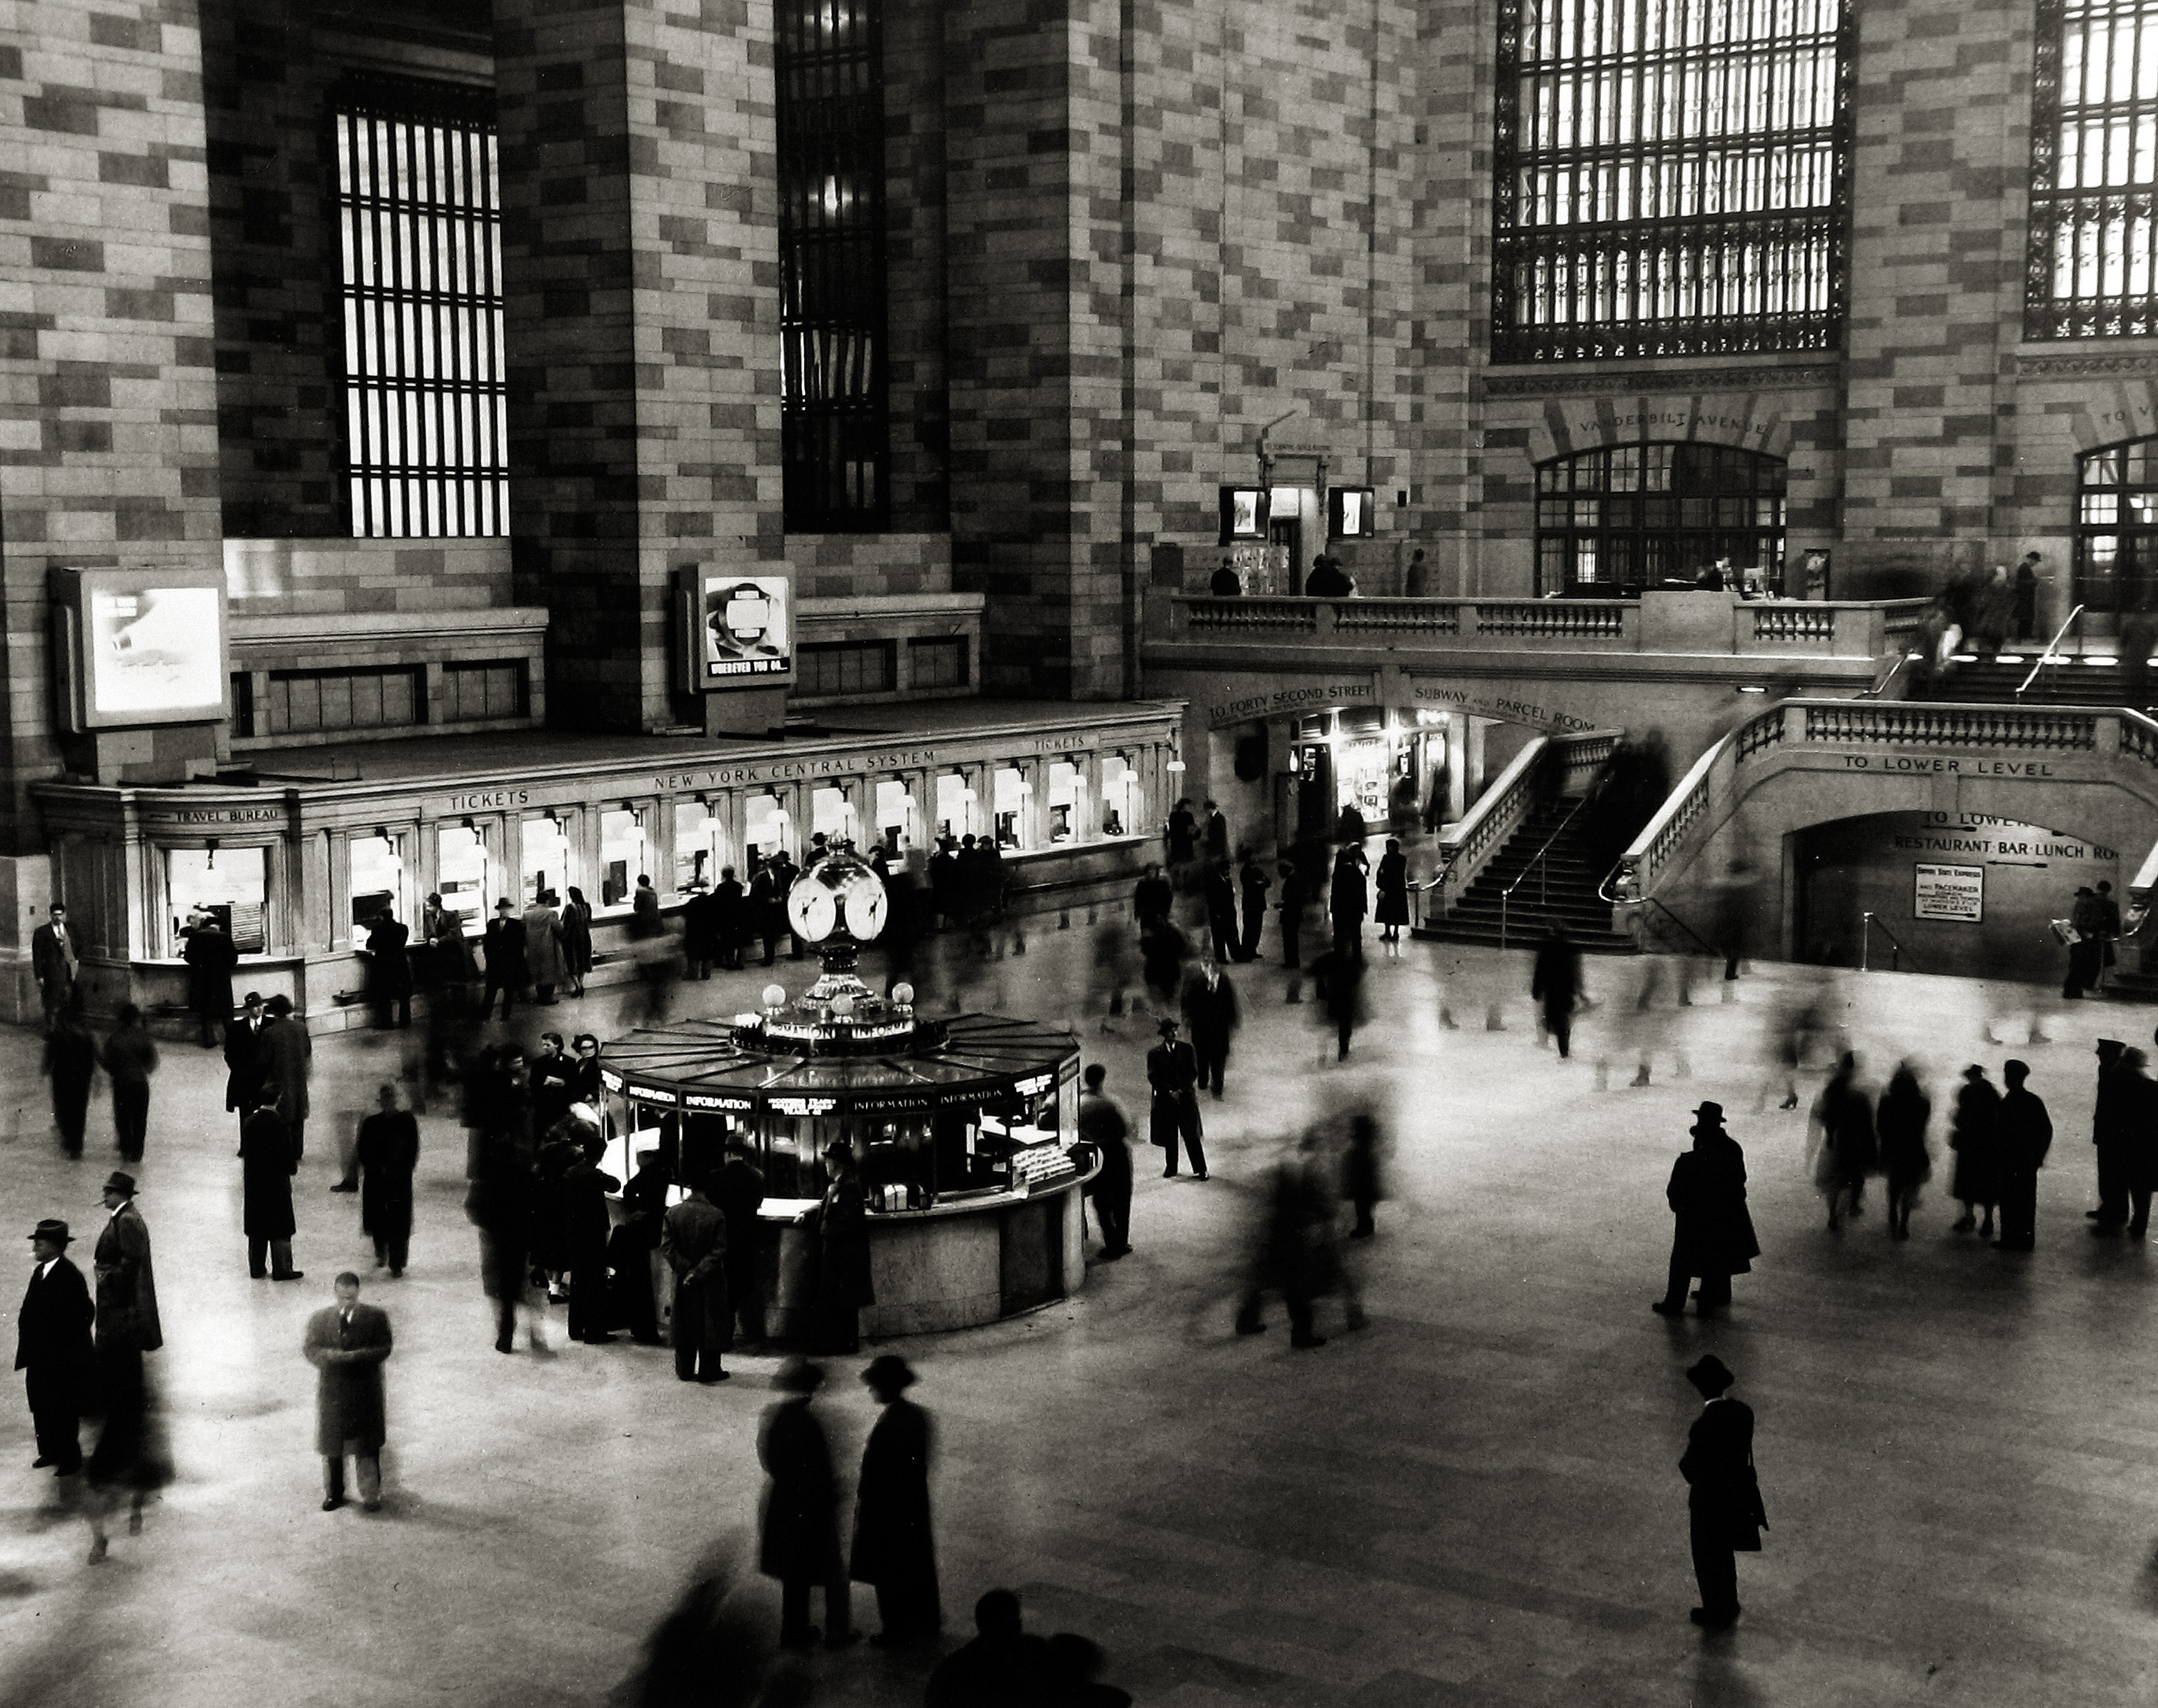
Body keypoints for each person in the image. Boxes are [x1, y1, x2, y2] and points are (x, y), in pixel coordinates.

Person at [85, 1173, 170, 1563]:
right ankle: (135, 1505)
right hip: (120, 1320)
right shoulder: (124, 1218)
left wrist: (106, 1276)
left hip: (122, 1318)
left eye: (107, 1191)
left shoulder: (129, 1221)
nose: (103, 1196)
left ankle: (130, 1504)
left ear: (117, 1194)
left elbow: (132, 1267)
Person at [759, 1358, 855, 1651]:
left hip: (784, 1503)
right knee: (828, 1568)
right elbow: (821, 1470)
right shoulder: (812, 1422)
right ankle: (834, 1632)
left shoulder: (776, 1416)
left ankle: (794, 1629)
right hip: (811, 1508)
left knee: (794, 1575)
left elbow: (770, 1459)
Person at [850, 1354, 942, 1647]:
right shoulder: (917, 1416)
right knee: (916, 1563)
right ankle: (926, 1620)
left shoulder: (889, 1424)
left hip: (887, 1509)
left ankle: (896, 1629)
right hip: (912, 1502)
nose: (870, 1391)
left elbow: (878, 1472)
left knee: (888, 1569)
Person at [1678, 1354, 1766, 1629]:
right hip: (1735, 1495)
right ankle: (1730, 1602)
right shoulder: (1743, 1412)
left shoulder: (1702, 1426)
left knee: (1707, 1557)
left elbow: (1689, 1468)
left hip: (1708, 1502)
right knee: (1725, 1555)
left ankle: (1716, 1609)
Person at [1652, 1103, 1760, 1318]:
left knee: (1683, 1257)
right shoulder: (1731, 1148)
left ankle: (1675, 1301)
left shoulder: (1691, 1158)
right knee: (1717, 1254)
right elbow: (1739, 1181)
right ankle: (1714, 1297)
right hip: (1721, 1212)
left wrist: (1680, 1207)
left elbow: (1677, 1190)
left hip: (1693, 1214)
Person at [303, 1272, 392, 1513]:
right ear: (335, 1293)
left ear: (358, 1293)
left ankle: (370, 1494)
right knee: (333, 1449)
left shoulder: (376, 1317)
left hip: (365, 1392)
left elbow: (384, 1347)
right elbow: (310, 1349)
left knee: (366, 1447)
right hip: (334, 1393)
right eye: (343, 1297)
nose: (347, 1302)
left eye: (351, 1298)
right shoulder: (320, 1320)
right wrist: (333, 1357)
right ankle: (335, 1493)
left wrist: (356, 1357)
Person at [17, 1218, 93, 1476]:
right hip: (40, 1356)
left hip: (60, 1359)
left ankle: (70, 1458)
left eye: (42, 1241)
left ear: (57, 1246)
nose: (36, 1244)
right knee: (40, 1404)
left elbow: (84, 1315)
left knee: (62, 1407)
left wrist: (64, 1349)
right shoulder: (40, 1271)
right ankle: (49, 1451)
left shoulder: (70, 1276)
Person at [926, 1589, 1052, 1706]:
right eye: (1005, 1631)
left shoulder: (950, 1672)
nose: (1013, 1636)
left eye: (1016, 1627)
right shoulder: (953, 1675)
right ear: (986, 1630)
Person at [661, 1170, 730, 1381]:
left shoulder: (673, 1213)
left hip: (682, 1278)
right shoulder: (716, 1215)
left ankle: (684, 1369)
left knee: (683, 1321)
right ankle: (709, 1370)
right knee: (709, 1321)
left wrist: (685, 1269)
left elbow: (667, 1246)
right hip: (709, 1279)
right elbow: (719, 1250)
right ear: (709, 1189)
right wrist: (698, 1271)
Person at [560, 1127, 620, 1344]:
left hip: (574, 1232)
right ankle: (595, 1331)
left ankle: (575, 1328)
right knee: (595, 1283)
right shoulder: (593, 1175)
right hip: (592, 1234)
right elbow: (615, 1185)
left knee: (578, 1279)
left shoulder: (571, 1172)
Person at [354, 1083, 419, 1277]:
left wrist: (400, 1168)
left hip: (394, 1179)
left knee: (395, 1220)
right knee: (382, 1219)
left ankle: (396, 1261)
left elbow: (412, 1150)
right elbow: (363, 1150)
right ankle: (383, 1252)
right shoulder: (372, 1123)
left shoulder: (405, 1121)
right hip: (381, 1178)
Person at [816, 1143, 875, 1354]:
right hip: (841, 1255)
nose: (825, 1164)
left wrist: (824, 1230)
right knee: (840, 1301)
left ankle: (845, 1344)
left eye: (828, 1161)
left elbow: (846, 1220)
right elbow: (826, 1204)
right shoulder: (839, 1185)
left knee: (844, 1302)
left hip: (845, 1255)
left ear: (837, 1163)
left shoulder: (848, 1187)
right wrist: (807, 1212)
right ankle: (842, 1343)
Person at [241, 1085, 304, 1282]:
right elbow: (286, 1155)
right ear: (277, 1099)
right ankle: (282, 1268)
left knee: (257, 1226)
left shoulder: (249, 1122)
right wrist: (291, 1168)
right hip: (276, 1183)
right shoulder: (279, 1125)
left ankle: (257, 1267)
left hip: (254, 1183)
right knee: (280, 1226)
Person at [1808, 1051, 1876, 1231]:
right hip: (1852, 1145)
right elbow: (1868, 1124)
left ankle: (1832, 1215)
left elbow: (1818, 1117)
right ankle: (1848, 1208)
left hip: (1831, 1144)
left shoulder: (1829, 1092)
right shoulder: (1859, 1095)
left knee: (1832, 1183)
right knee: (1852, 1179)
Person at [1993, 1059, 2052, 1252]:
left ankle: (2009, 1238)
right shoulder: (2033, 1101)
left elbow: (1998, 1134)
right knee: (2026, 1201)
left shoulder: (2007, 1103)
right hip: (2027, 1162)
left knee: (2009, 1201)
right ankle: (2026, 1238)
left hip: (2009, 1161)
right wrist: (2038, 1157)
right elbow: (2046, 1131)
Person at [1078, 1064, 1133, 1259]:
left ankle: (1110, 1241)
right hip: (1117, 1154)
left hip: (1095, 1154)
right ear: (1103, 1079)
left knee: (1102, 1202)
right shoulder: (1113, 1103)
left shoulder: (1080, 1103)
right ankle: (1120, 1242)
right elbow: (1127, 1128)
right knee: (1121, 1200)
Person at [717, 1142, 768, 1346]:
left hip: (723, 1239)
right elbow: (758, 1203)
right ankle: (752, 1333)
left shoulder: (716, 1177)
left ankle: (724, 1335)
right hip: (747, 1238)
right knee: (745, 1287)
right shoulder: (758, 1176)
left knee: (724, 1290)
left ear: (728, 1154)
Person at [1875, 1060, 1932, 1241]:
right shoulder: (1922, 1102)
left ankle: (1892, 1210)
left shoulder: (1887, 1101)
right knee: (1909, 1186)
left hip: (1893, 1147)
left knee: (1894, 1182)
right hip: (1914, 1147)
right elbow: (1923, 1125)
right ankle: (1904, 1224)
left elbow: (1880, 1126)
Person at [1145, 1018, 1207, 1179]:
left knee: (1192, 1135)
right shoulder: (1154, 1054)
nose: (1174, 1033)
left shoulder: (1187, 1050)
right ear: (1164, 1034)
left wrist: (1179, 1090)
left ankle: (1201, 1168)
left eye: (1175, 1030)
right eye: (1170, 1031)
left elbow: (1192, 1072)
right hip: (1167, 1101)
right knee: (1170, 1136)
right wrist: (1169, 1091)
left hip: (1186, 1099)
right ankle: (1171, 1167)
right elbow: (1153, 1077)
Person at [98, 1003, 158, 1166]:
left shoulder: (115, 1038)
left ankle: (126, 1149)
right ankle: (137, 1153)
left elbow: (106, 1062)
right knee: (140, 1118)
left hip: (121, 1082)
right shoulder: (143, 1036)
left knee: (123, 1117)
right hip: (140, 1082)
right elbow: (151, 1061)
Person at [1948, 1063, 2003, 1237]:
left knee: (1967, 1182)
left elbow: (1961, 1118)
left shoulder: (1966, 1091)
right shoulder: (1992, 1092)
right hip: (1989, 1146)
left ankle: (1969, 1216)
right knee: (1988, 1184)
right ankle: (1988, 1220)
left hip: (1969, 1145)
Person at [261, 994, 313, 1166]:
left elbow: (264, 1060)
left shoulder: (270, 1033)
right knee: (298, 1114)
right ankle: (297, 1151)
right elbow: (307, 1051)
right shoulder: (301, 1028)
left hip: (279, 1080)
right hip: (298, 1079)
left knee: (282, 1117)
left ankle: (283, 1151)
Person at [43, 995, 97, 1159]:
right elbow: (92, 1055)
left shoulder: (58, 1032)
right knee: (79, 1111)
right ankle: (77, 1146)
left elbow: (49, 1054)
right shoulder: (86, 1032)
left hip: (61, 1076)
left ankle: (68, 1139)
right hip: (82, 1077)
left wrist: (44, 1069)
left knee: (63, 1107)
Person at [1181, 959, 1240, 1099]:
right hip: (1201, 1026)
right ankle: (1203, 1078)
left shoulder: (1225, 982)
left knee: (1219, 1057)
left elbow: (1230, 1001)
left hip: (1220, 1026)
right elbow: (1188, 1002)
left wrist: (1233, 1020)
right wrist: (1188, 1019)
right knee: (1202, 1055)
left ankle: (1217, 1087)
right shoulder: (1196, 982)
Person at [182, 913, 237, 1047]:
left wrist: (199, 966)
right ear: (217, 926)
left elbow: (188, 957)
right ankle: (232, 1040)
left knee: (205, 1012)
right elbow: (233, 960)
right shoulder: (225, 937)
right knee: (226, 1013)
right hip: (221, 980)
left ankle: (209, 1040)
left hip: (202, 980)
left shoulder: (195, 936)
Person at [1531, 924, 1581, 1059]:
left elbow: (1539, 969)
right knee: (1564, 1019)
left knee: (1551, 1014)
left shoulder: (1546, 947)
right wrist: (1579, 989)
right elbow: (1575, 970)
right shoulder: (1571, 948)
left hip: (1551, 987)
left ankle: (1547, 1040)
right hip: (1566, 987)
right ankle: (1564, 1049)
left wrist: (1536, 989)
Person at [223, 990, 268, 1138]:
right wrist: (238, 1069)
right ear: (248, 1009)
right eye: (255, 1006)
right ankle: (246, 1145)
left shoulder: (270, 1024)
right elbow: (229, 1052)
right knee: (245, 1113)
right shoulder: (238, 1027)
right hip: (245, 1078)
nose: (259, 1008)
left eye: (260, 1005)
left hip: (264, 1077)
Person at [32, 902, 82, 1031]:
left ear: (64, 915)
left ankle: (65, 1029)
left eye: (60, 915)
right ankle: (51, 1030)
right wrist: (39, 975)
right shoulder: (42, 932)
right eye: (55, 915)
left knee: (68, 1001)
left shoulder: (71, 929)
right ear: (50, 915)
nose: (58, 918)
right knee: (52, 1003)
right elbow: (37, 956)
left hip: (70, 971)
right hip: (52, 973)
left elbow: (79, 945)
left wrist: (75, 960)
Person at [364, 908, 413, 1029]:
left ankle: (387, 1023)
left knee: (384, 995)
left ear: (381, 916)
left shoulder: (378, 929)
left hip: (384, 964)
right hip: (400, 962)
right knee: (404, 995)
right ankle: (405, 1021)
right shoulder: (403, 928)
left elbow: (369, 945)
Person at [481, 897, 528, 1019]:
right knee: (491, 989)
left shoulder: (516, 924)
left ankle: (505, 1014)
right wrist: (490, 958)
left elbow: (520, 944)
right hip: (496, 962)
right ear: (500, 910)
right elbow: (488, 944)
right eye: (503, 909)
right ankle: (486, 1014)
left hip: (509, 962)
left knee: (508, 990)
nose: (505, 911)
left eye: (506, 909)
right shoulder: (492, 924)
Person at [1342, 1108, 1384, 1239]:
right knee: (1364, 1205)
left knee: (1362, 1205)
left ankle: (1364, 1227)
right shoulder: (1369, 1145)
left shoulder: (1361, 1147)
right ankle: (1366, 1226)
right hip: (1367, 1180)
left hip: (1363, 1180)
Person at [2063, 884, 2107, 998]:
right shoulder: (2085, 905)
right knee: (2077, 965)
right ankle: (2074, 990)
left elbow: (2093, 923)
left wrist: (2079, 926)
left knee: (2077, 965)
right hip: (2081, 939)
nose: (2080, 899)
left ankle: (2071, 989)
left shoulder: (2091, 907)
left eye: (2082, 897)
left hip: (2084, 939)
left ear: (2087, 897)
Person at [523, 889, 565, 1005]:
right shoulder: (550, 914)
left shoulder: (528, 915)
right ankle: (548, 998)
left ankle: (540, 997)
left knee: (537, 973)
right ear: (547, 901)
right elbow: (559, 929)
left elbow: (523, 930)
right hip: (548, 947)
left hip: (532, 948)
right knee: (550, 973)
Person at [1328, 845, 1367, 960]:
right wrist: (1363, 909)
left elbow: (1334, 893)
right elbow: (1362, 894)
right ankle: (1357, 955)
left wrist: (1333, 909)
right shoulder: (1358, 875)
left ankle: (1339, 954)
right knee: (1355, 934)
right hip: (1354, 911)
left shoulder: (1338, 875)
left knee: (1339, 934)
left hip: (1340, 910)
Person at [1373, 837, 1410, 951]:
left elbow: (1383, 872)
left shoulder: (1391, 859)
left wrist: (1382, 884)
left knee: (1389, 911)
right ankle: (1391, 932)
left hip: (1391, 889)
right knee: (1393, 911)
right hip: (1396, 889)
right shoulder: (1399, 859)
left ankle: (1391, 932)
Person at [559, 886, 594, 996]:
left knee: (571, 963)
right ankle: (581, 984)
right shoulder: (586, 906)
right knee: (582, 963)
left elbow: (565, 923)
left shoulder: (570, 908)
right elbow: (589, 921)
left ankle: (578, 986)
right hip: (585, 937)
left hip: (572, 939)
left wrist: (562, 936)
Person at [1236, 851, 1270, 963]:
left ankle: (1252, 949)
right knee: (1249, 929)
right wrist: (1260, 884)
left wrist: (1260, 883)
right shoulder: (1245, 872)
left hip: (1258, 904)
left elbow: (1268, 882)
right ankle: (1247, 952)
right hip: (1250, 905)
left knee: (1256, 929)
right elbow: (1250, 886)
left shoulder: (1256, 870)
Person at [1202, 860, 1238, 962]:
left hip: (1228, 911)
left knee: (1231, 933)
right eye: (1226, 869)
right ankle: (1221, 957)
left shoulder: (1227, 880)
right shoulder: (1213, 882)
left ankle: (1235, 953)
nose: (1228, 871)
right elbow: (1211, 899)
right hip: (1219, 913)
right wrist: (1216, 913)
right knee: (1219, 936)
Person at [1132, 861, 1172, 931]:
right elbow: (1138, 900)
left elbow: (1168, 898)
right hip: (1146, 915)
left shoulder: (1163, 884)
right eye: (1149, 872)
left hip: (1160, 914)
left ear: (1156, 873)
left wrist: (1165, 911)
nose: (1150, 874)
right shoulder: (1142, 885)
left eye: (1152, 872)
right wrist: (1137, 913)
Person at [2013, 551, 2041, 642]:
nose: (2036, 564)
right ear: (2032, 560)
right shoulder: (2025, 568)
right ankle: (2023, 634)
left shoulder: (2024, 568)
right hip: (2025, 597)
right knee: (2025, 616)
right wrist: (2034, 581)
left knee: (2025, 616)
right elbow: (2023, 583)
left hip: (2025, 596)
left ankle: (2024, 634)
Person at [632, 873, 664, 939]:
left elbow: (637, 907)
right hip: (657, 919)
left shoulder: (640, 892)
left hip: (645, 920)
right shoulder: (653, 892)